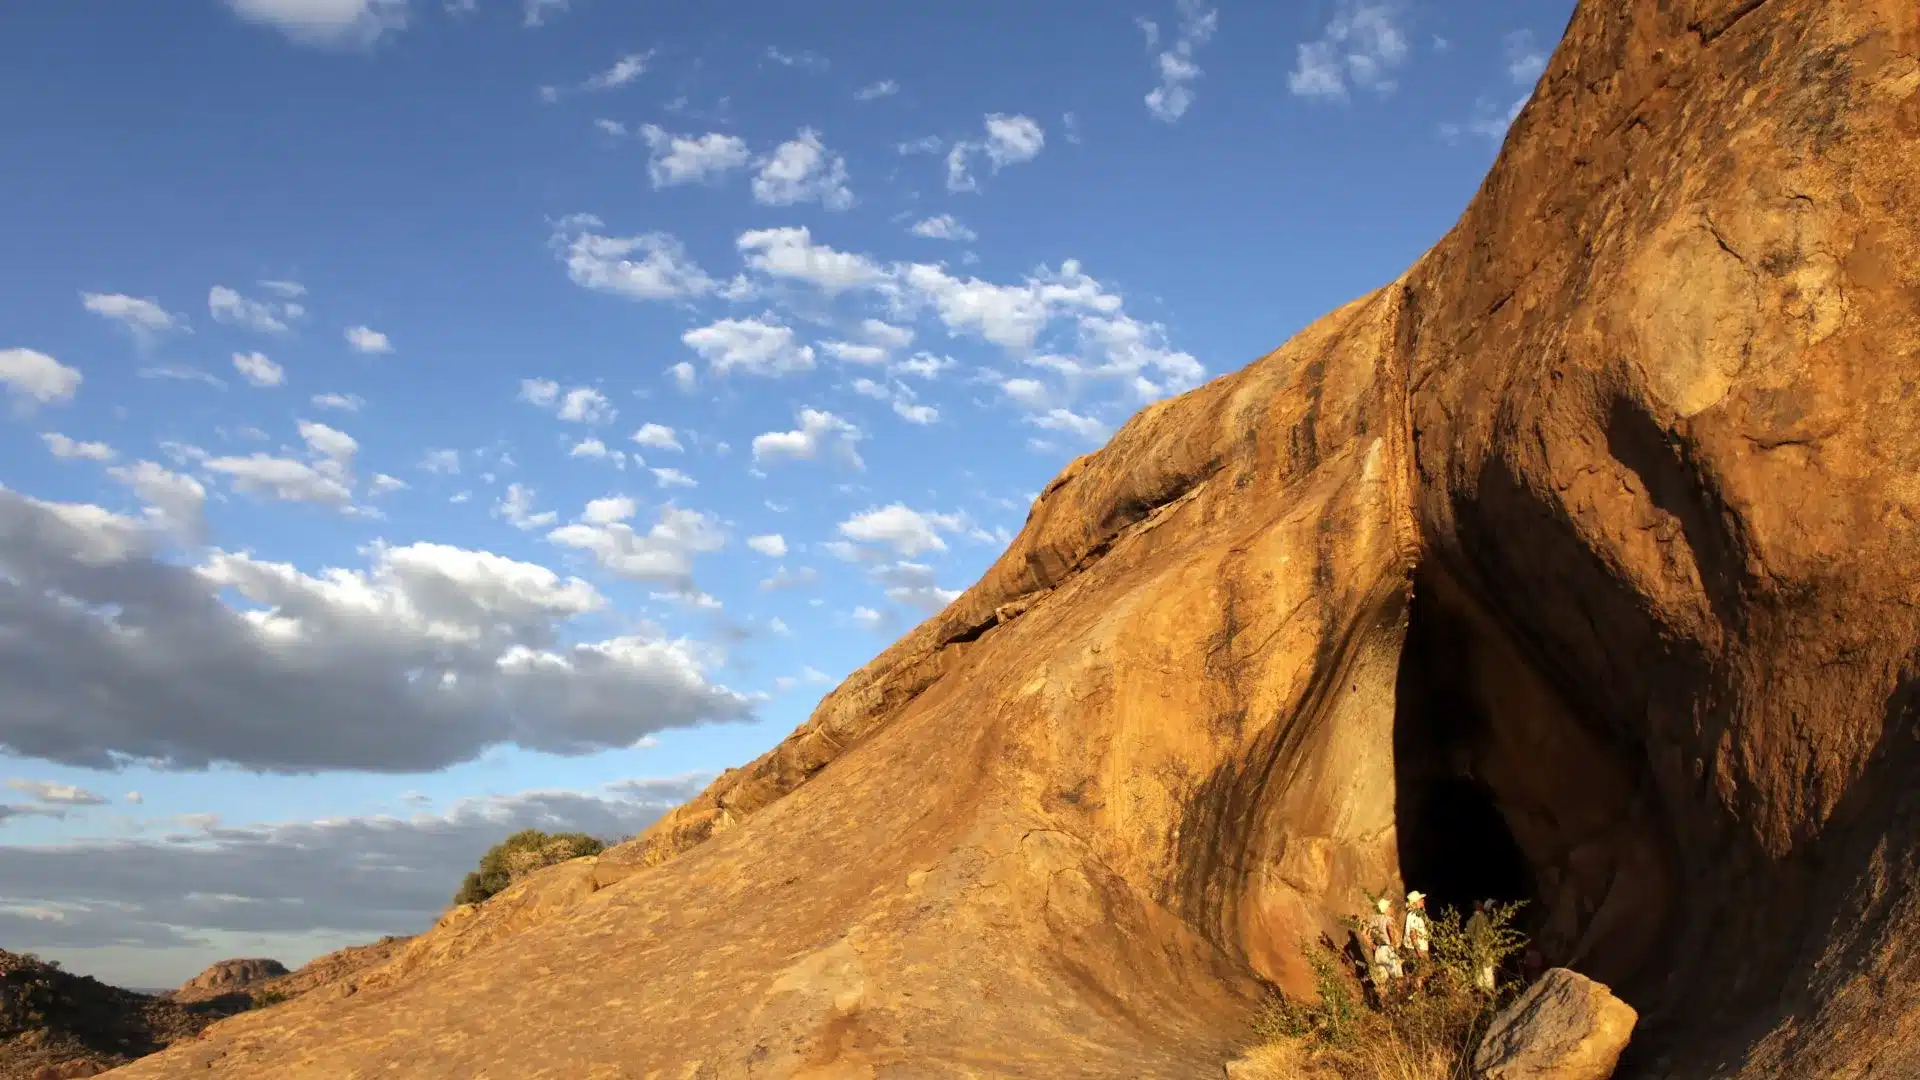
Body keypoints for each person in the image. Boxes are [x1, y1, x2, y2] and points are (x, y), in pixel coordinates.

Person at [1366, 896, 1403, 996]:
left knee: (1383, 982)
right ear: (1386, 909)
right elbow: (1390, 929)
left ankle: (1384, 1004)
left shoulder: (1374, 919)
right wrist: (1393, 943)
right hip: (1387, 950)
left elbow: (1365, 933)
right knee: (1398, 978)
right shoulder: (1388, 919)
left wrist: (1371, 945)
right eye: (1389, 906)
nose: (1391, 908)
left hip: (1378, 951)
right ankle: (1400, 1001)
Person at [1465, 899, 1497, 992]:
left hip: (1476, 948)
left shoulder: (1471, 920)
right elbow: (1492, 935)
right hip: (1486, 948)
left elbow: (1468, 935)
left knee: (1478, 972)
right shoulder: (1486, 918)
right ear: (1480, 907)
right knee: (1488, 971)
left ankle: (1480, 994)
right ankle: (1490, 994)